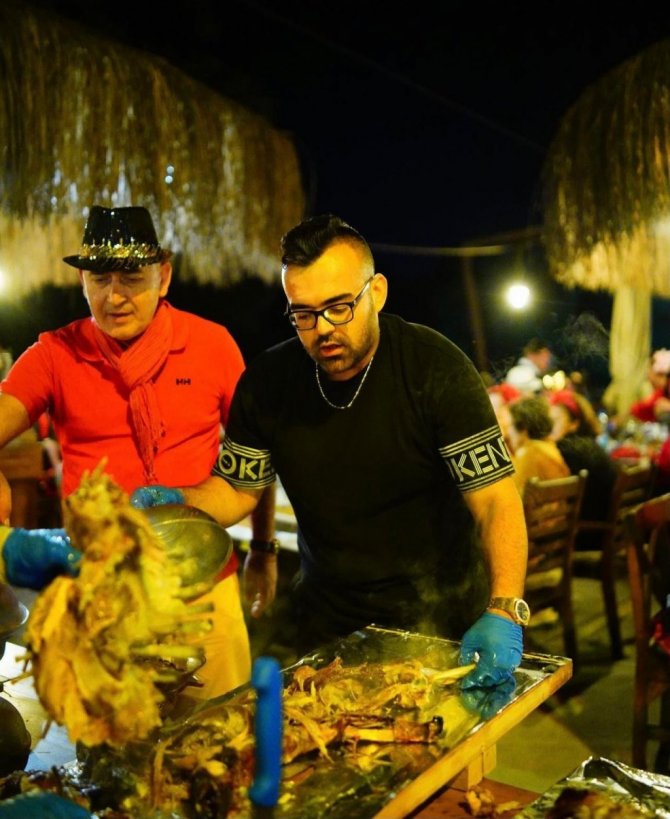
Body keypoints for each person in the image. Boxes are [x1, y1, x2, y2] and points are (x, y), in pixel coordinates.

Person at [132, 213, 529, 692]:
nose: (322, 329)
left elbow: (495, 499)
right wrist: (181, 502)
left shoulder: (435, 368)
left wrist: (505, 608)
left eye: (339, 307)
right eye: (303, 314)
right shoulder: (269, 382)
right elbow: (237, 490)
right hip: (328, 623)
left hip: (444, 622)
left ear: (376, 292)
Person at [0, 205, 275, 699]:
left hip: (203, 590)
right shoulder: (54, 354)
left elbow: (255, 457)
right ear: (82, 281)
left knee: (221, 730)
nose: (115, 296)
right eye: (100, 279)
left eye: (131, 278)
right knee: (106, 739)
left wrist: (262, 548)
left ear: (163, 276)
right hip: (101, 595)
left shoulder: (213, 345)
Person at [548, 389, 618, 542]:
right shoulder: (591, 446)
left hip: (582, 537)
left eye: (556, 421)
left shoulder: (566, 451)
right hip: (602, 534)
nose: (549, 427)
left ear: (574, 424)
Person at [507, 394, 570, 492]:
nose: (508, 431)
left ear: (524, 429)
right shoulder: (550, 448)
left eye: (510, 425)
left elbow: (512, 494)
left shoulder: (529, 453)